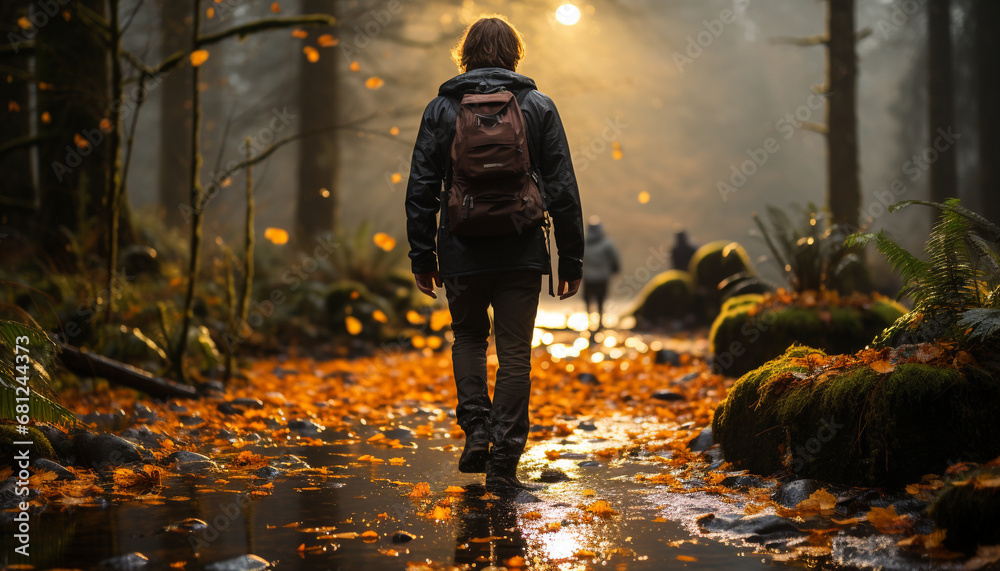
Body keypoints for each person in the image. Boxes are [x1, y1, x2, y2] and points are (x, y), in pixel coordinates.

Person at [404, 15, 584, 492]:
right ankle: (504, 457)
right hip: (522, 248)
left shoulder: (441, 109)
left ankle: (476, 429)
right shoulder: (538, 106)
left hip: (460, 248)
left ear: (465, 54)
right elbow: (563, 186)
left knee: (467, 338)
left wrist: (422, 256)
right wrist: (572, 259)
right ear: (514, 53)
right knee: (515, 355)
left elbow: (421, 187)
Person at [581, 216, 620, 330]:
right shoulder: (607, 243)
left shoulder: (584, 242)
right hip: (602, 277)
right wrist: (615, 269)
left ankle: (590, 322)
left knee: (589, 300)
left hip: (588, 277)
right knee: (600, 301)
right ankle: (599, 322)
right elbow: (615, 259)